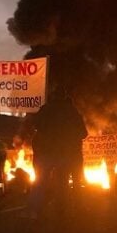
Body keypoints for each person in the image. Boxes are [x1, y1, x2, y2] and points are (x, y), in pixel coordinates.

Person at [28, 87, 87, 220]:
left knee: (40, 181)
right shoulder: (72, 111)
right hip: (63, 153)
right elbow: (83, 133)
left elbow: (35, 124)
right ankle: (61, 211)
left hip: (45, 152)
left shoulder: (45, 109)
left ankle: (34, 211)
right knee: (62, 182)